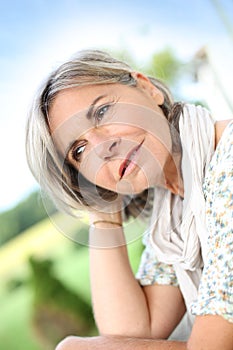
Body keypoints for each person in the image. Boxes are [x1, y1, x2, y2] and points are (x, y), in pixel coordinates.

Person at [26, 50, 233, 350]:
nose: (102, 149)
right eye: (80, 151)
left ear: (147, 88)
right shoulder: (171, 211)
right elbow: (135, 329)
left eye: (102, 112)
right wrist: (102, 206)